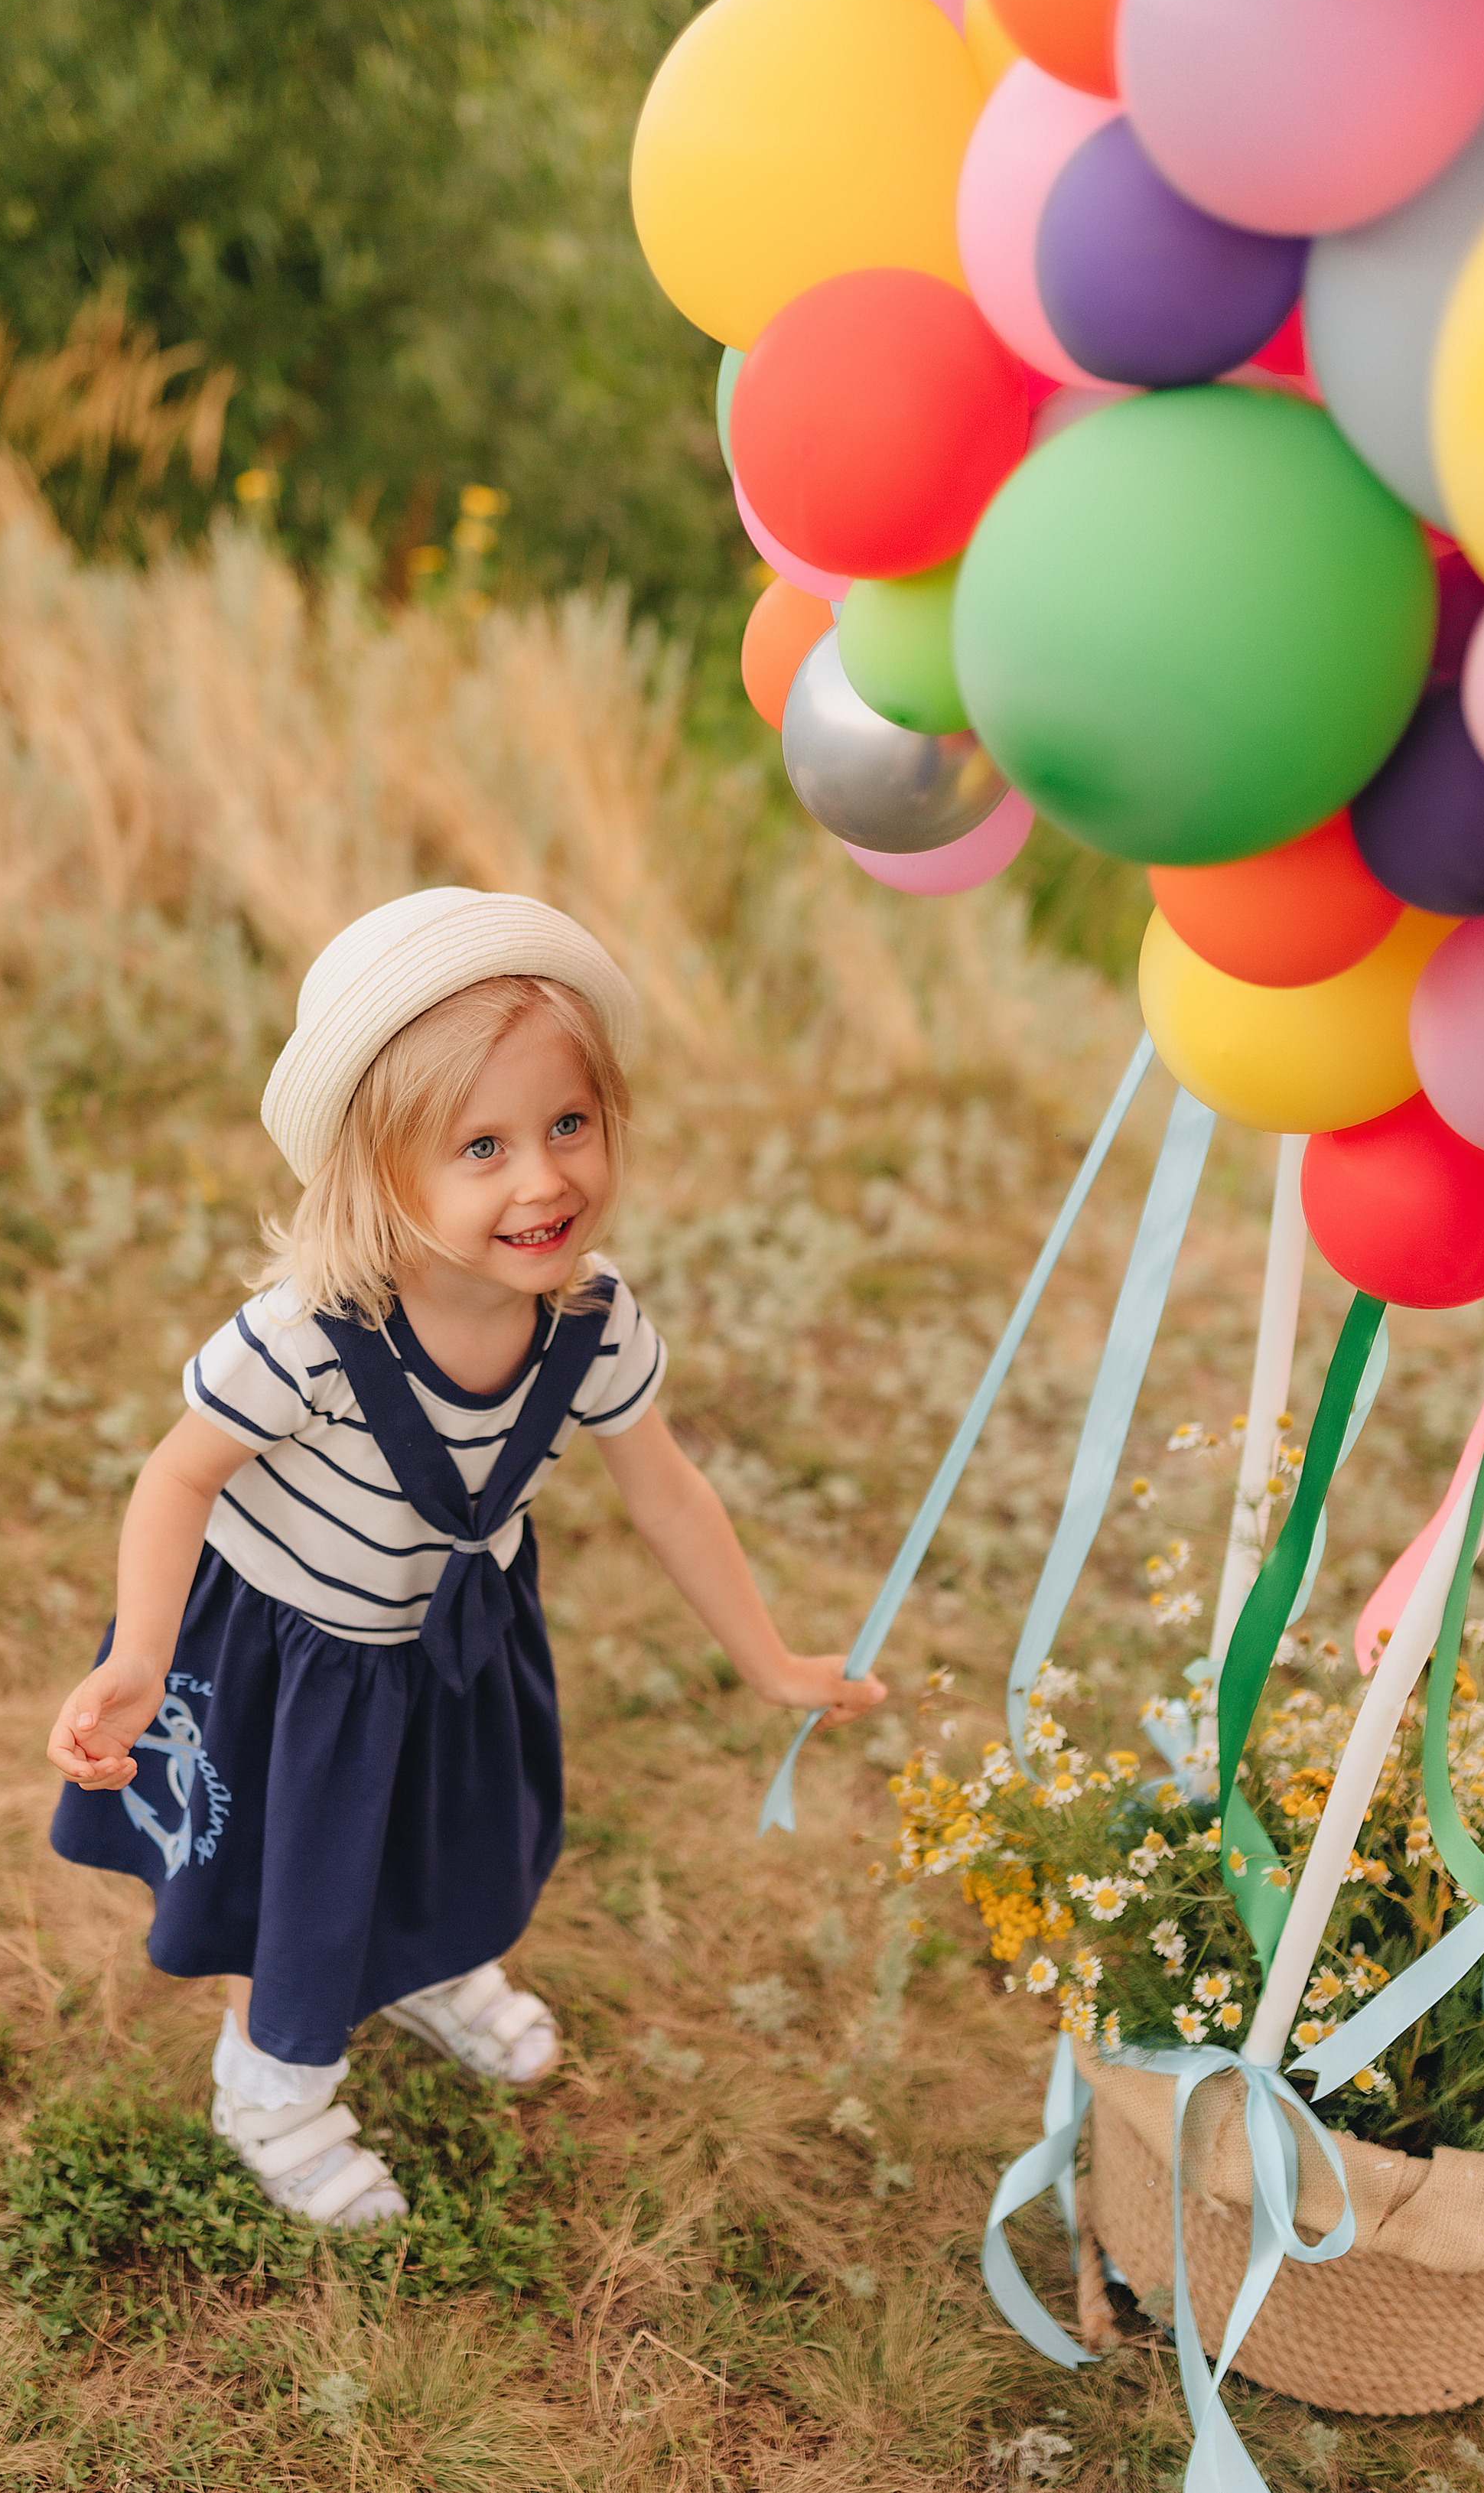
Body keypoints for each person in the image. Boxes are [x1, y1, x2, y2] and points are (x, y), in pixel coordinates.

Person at [47, 887, 885, 2228]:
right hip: (299, 1663)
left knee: (463, 1834)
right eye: (480, 1145)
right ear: (381, 1174)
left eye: (568, 1125)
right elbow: (177, 1472)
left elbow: (666, 1493)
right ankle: (272, 2089)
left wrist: (773, 1658)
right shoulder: (312, 1333)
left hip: (457, 1637)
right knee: (303, 1886)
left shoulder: (596, 1322)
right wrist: (141, 1653)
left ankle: (431, 1964)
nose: (543, 1178)